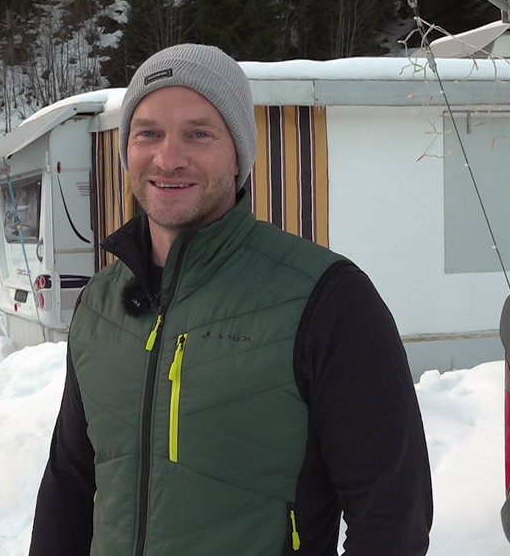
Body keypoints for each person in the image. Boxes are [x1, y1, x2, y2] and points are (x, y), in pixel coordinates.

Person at [27, 44, 433, 556]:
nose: (168, 158)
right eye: (148, 132)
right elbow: (69, 482)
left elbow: (393, 513)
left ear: (239, 153)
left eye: (199, 133)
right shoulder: (101, 304)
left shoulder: (325, 298)